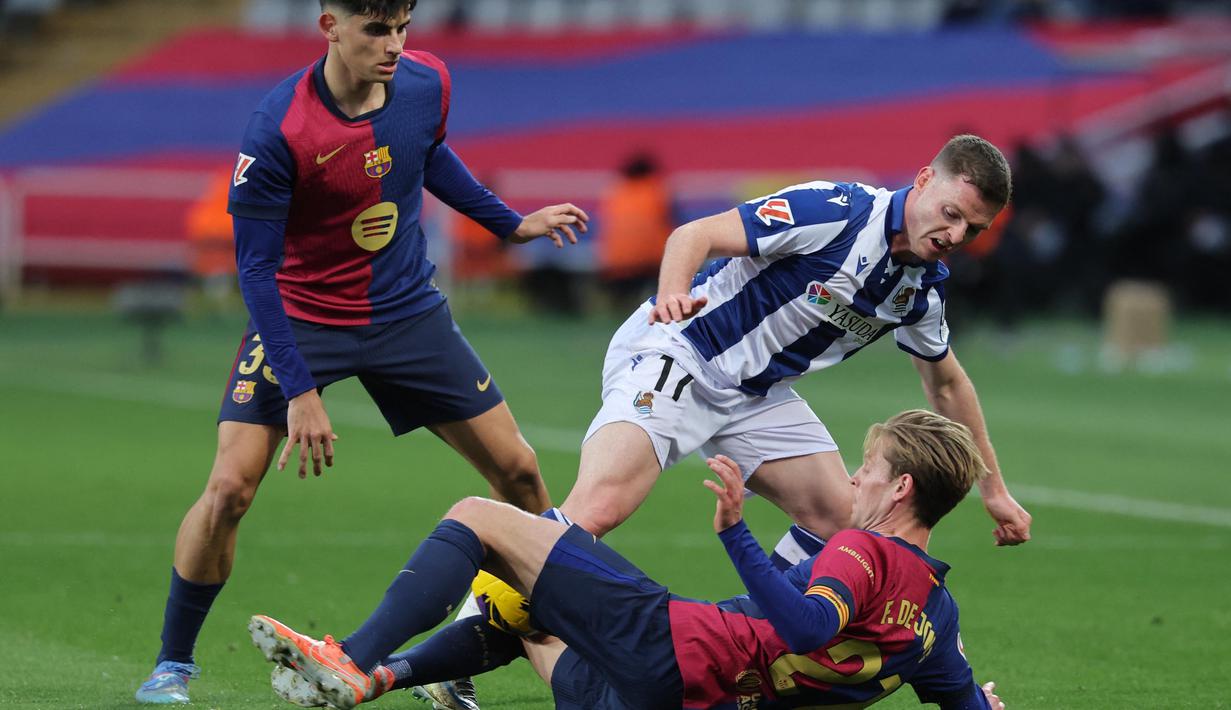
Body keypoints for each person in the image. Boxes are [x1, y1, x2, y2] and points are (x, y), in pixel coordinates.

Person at [133, 0, 588, 704]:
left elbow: (427, 153)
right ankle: (173, 665)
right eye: (377, 29)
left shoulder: (425, 82)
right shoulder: (278, 129)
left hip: (406, 312)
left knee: (521, 474)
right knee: (229, 490)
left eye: (403, 27)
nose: (395, 45)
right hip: (303, 318)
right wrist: (302, 389)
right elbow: (254, 271)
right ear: (330, 26)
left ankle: (471, 645)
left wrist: (510, 224)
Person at [248, 409, 1008, 710]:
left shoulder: (861, 550)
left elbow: (809, 627)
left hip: (672, 648)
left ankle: (354, 659)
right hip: (671, 703)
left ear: (900, 486)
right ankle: (386, 679)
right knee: (530, 618)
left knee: (481, 520)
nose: (852, 478)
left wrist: (737, 534)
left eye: (867, 468)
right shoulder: (937, 617)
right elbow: (964, 703)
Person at [560, 134, 1032, 573]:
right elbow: (694, 234)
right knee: (596, 513)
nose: (955, 235)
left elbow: (947, 384)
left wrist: (993, 490)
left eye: (972, 228)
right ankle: (484, 611)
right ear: (925, 180)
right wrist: (671, 293)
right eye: (951, 213)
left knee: (849, 524)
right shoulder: (837, 211)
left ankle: (757, 629)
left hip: (754, 395)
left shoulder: (922, 291)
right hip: (681, 350)